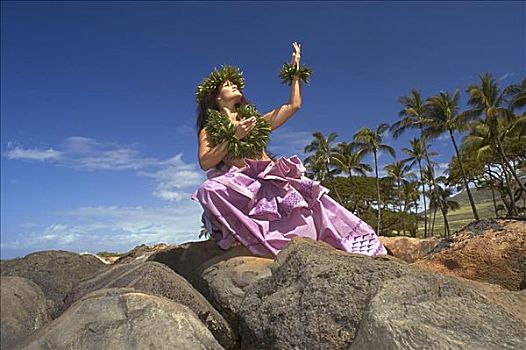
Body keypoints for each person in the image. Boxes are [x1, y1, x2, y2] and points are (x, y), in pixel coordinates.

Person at [191, 42, 387, 258]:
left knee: (309, 228)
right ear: (217, 97)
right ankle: (249, 239)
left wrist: (295, 72)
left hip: (272, 179)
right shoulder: (209, 129)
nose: (236, 86)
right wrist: (233, 137)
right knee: (209, 189)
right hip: (242, 185)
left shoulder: (254, 121)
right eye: (228, 85)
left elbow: (294, 106)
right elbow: (205, 162)